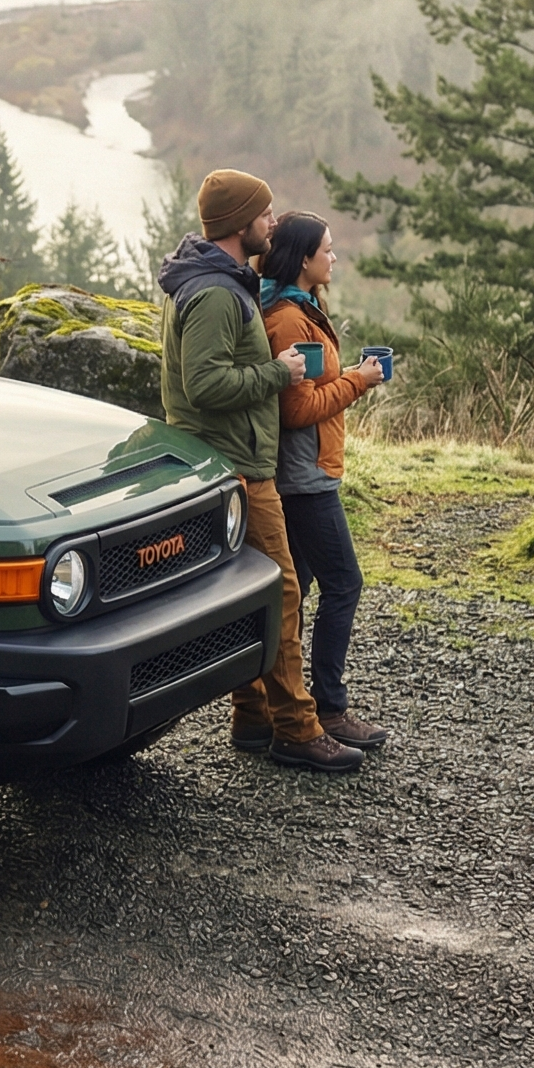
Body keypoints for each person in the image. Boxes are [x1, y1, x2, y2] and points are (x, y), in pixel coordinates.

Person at [156, 170, 364, 772]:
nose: (272, 224)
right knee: (283, 592)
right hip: (237, 463)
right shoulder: (218, 294)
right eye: (265, 215)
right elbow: (206, 383)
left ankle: (251, 716)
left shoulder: (214, 282)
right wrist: (280, 372)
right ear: (239, 223)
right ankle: (297, 729)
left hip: (233, 458)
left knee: (255, 593)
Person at [257, 212, 388, 749]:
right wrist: (359, 380)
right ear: (304, 259)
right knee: (343, 584)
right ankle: (330, 709)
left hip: (307, 472)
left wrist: (349, 376)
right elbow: (299, 409)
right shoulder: (289, 319)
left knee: (300, 590)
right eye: (328, 251)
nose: (334, 258)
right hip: (305, 478)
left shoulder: (302, 308)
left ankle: (280, 704)